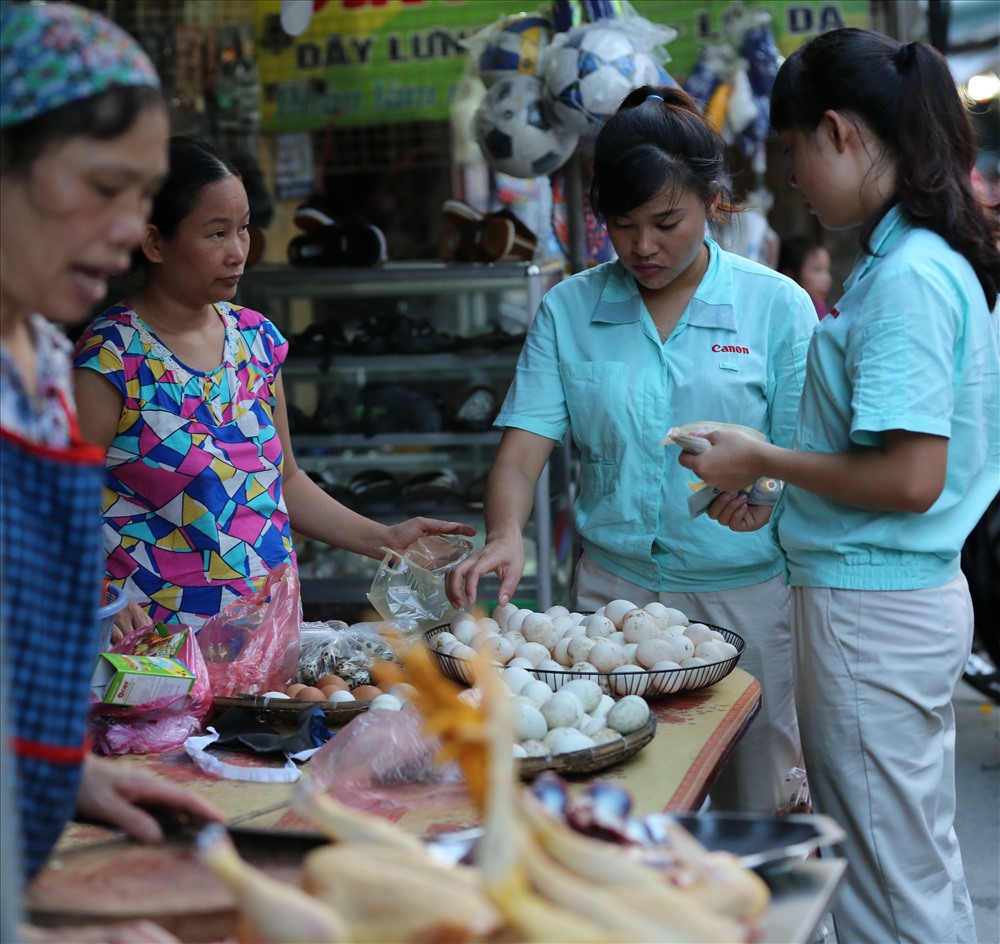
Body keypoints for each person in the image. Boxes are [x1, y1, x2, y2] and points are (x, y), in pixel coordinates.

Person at [680, 28, 1000, 944]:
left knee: (883, 889)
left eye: (791, 153)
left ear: (837, 132)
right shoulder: (916, 262)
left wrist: (764, 460)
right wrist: (782, 495)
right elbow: (890, 466)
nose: (789, 179)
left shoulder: (904, 278)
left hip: (875, 615)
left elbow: (909, 477)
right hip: (886, 602)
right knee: (907, 864)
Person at [446, 84, 818, 816]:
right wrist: (504, 534)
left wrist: (765, 495)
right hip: (607, 608)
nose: (643, 246)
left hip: (746, 599)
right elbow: (523, 454)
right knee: (624, 808)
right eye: (621, 225)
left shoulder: (776, 307)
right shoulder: (570, 309)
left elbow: (805, 456)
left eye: (666, 221)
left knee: (761, 809)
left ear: (713, 200)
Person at [72, 134, 475, 633]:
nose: (238, 252)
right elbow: (59, 502)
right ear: (154, 242)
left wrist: (386, 538)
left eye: (243, 229)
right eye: (216, 234)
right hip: (159, 647)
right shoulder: (111, 356)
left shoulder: (255, 340)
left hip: (268, 632)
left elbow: (286, 480)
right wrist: (102, 592)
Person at [0, 0, 222, 905]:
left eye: (142, 196)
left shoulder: (45, 363)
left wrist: (68, 775)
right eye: (103, 186)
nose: (133, 230)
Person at [777, 233, 832, 319]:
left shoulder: (820, 310)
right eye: (817, 270)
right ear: (790, 275)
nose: (827, 279)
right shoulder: (779, 314)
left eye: (827, 270)